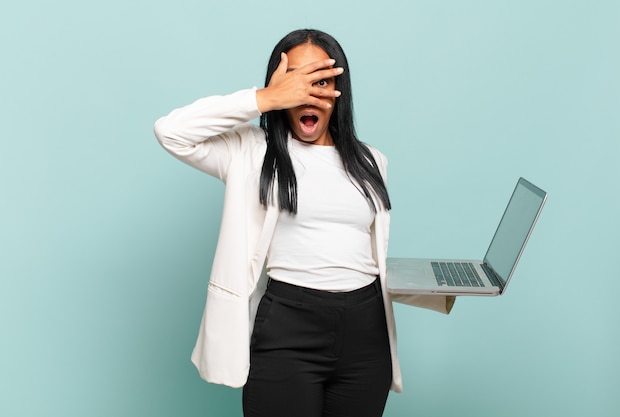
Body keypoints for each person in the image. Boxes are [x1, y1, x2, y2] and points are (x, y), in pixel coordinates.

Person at [154, 28, 454, 417]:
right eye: (297, 81)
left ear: (338, 91)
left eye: (321, 81)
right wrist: (264, 100)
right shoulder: (250, 152)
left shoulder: (371, 161)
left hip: (366, 334)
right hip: (287, 328)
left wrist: (429, 282)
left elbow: (361, 254)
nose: (307, 94)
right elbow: (171, 132)